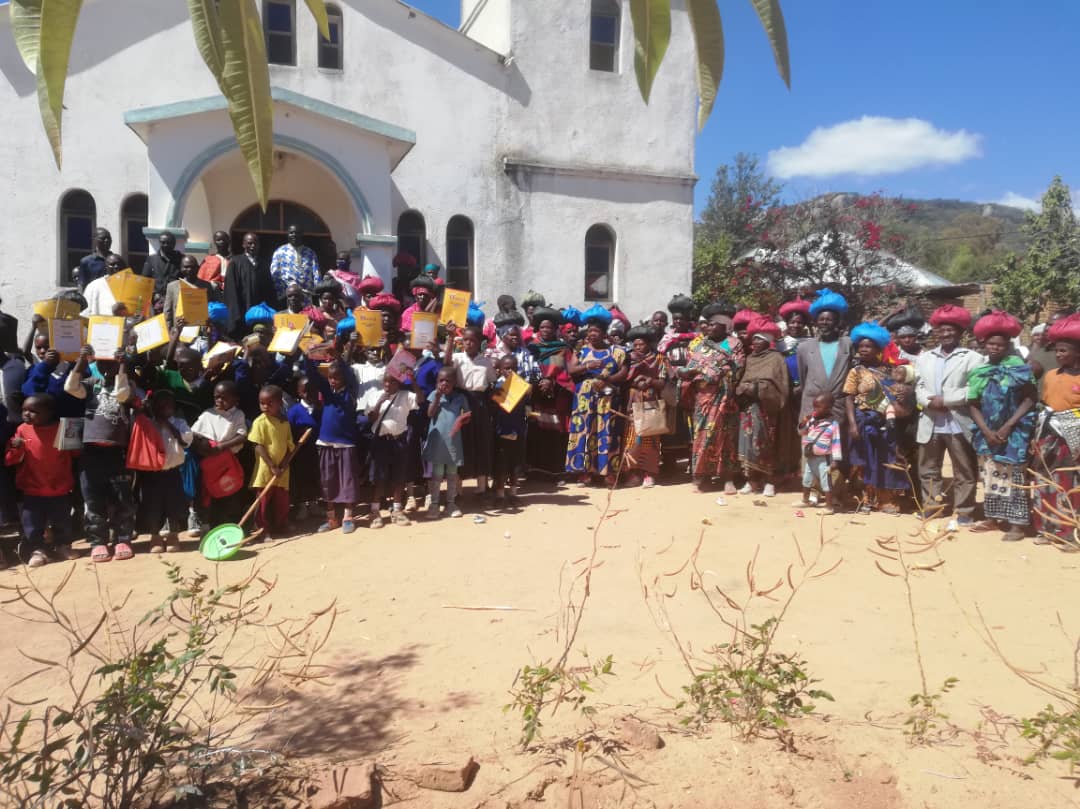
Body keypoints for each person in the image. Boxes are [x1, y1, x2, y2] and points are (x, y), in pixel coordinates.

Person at [966, 312, 1037, 542]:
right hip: (987, 432)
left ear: (1008, 346)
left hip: (1014, 432)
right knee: (990, 473)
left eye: (1000, 344)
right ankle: (993, 518)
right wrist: (986, 430)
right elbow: (973, 404)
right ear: (984, 344)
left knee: (1014, 475)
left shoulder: (1018, 368)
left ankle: (1017, 524)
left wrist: (1008, 426)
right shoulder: (979, 371)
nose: (995, 348)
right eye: (991, 344)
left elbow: (1030, 399)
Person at [914, 305, 985, 524]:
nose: (945, 334)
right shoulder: (924, 358)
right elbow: (919, 385)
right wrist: (928, 400)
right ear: (935, 332)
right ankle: (932, 506)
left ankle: (964, 510)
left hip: (958, 422)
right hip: (930, 421)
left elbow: (975, 389)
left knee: (964, 469)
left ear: (961, 333)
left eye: (950, 331)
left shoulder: (972, 358)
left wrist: (947, 400)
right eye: (941, 331)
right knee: (928, 469)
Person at [64, 345, 134, 562]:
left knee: (121, 497)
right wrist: (81, 360)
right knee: (92, 499)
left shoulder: (125, 384)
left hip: (116, 452)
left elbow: (122, 395)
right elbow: (69, 387)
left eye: (111, 364)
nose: (107, 368)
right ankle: (98, 542)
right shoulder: (90, 384)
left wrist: (123, 366)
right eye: (102, 363)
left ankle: (122, 538)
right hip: (91, 453)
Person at [4, 394, 78, 567]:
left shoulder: (62, 428)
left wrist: (74, 438)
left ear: (49, 413)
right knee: (32, 524)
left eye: (33, 411)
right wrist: (16, 447)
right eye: (24, 410)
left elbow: (75, 455)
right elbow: (10, 460)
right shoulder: (22, 430)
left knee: (62, 521)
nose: (26, 414)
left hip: (59, 487)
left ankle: (63, 546)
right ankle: (38, 550)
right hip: (32, 489)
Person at [844, 322, 909, 514]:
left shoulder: (891, 370)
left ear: (878, 348)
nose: (864, 350)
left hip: (887, 422)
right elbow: (848, 397)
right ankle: (866, 499)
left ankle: (886, 499)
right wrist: (853, 425)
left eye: (868, 346)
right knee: (865, 460)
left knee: (886, 458)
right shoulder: (855, 372)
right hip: (863, 421)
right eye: (861, 346)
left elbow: (901, 393)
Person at [678, 303, 743, 494]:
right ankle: (702, 477)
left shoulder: (734, 344)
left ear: (725, 326)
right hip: (702, 397)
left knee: (726, 437)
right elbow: (690, 366)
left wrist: (715, 374)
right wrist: (690, 373)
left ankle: (727, 478)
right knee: (702, 436)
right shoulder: (698, 344)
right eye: (709, 324)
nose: (710, 327)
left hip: (724, 398)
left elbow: (737, 369)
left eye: (715, 324)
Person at [1030, 313, 1080, 546]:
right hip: (1048, 432)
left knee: (1069, 483)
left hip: (1073, 435)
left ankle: (1068, 531)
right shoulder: (1050, 376)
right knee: (1044, 478)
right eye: (1057, 351)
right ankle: (1045, 527)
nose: (1058, 355)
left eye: (1064, 351)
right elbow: (1046, 405)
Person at [565, 307, 628, 485]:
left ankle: (608, 471)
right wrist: (588, 366)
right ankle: (584, 472)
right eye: (590, 331)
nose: (593, 334)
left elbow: (624, 372)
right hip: (585, 398)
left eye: (597, 331)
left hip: (607, 397)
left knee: (607, 431)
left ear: (604, 333)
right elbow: (571, 370)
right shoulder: (581, 351)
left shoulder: (616, 351)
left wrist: (607, 380)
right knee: (585, 431)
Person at [304, 355, 360, 534]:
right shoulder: (327, 394)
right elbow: (313, 376)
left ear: (344, 378)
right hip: (326, 443)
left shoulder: (350, 394)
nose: (333, 381)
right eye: (330, 377)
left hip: (345, 445)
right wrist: (306, 356)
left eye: (337, 377)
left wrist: (340, 357)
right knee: (328, 482)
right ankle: (332, 518)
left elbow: (350, 375)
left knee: (347, 481)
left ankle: (348, 517)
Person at [736, 316, 789, 497]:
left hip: (767, 411)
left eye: (760, 339)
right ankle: (751, 481)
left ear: (768, 341)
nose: (755, 342)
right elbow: (742, 379)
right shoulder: (749, 359)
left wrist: (758, 388)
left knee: (765, 445)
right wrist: (743, 389)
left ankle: (769, 482)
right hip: (748, 409)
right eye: (754, 338)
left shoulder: (776, 359)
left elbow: (780, 386)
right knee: (747, 445)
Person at [137, 389, 193, 554]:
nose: (164, 409)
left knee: (173, 506)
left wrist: (167, 424)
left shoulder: (179, 423)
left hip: (172, 472)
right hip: (151, 474)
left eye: (168, 405)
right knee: (153, 505)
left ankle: (173, 536)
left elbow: (185, 441)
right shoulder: (148, 423)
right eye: (160, 406)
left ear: (174, 407)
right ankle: (155, 536)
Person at [367, 369, 423, 528]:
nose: (387, 384)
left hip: (399, 440)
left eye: (392, 381)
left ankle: (397, 510)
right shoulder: (375, 395)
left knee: (399, 477)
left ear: (398, 383)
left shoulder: (405, 396)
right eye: (385, 381)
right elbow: (371, 419)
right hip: (381, 441)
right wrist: (379, 403)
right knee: (379, 477)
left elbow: (420, 400)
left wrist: (413, 382)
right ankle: (375, 511)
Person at [191, 380, 249, 530]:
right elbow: (194, 434)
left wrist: (222, 446)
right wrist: (204, 447)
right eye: (216, 397)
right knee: (210, 493)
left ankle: (230, 525)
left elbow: (242, 436)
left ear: (235, 399)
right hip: (209, 460)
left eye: (224, 398)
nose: (219, 400)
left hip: (227, 460)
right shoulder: (207, 414)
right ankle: (209, 525)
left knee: (230, 491)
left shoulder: (238, 414)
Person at [446, 323, 496, 497]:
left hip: (480, 404)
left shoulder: (486, 361)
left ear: (479, 342)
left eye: (472, 340)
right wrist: (451, 338)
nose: (468, 343)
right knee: (461, 443)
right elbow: (445, 365)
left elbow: (491, 383)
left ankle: (481, 486)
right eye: (465, 340)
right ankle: (457, 488)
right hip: (461, 403)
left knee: (481, 442)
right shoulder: (457, 358)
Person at [526, 307, 575, 477]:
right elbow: (528, 369)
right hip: (536, 397)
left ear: (555, 330)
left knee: (557, 432)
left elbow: (563, 371)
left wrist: (551, 381)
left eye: (549, 327)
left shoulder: (562, 349)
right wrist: (538, 382)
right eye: (542, 327)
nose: (545, 330)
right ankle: (537, 468)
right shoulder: (532, 349)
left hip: (557, 398)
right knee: (537, 430)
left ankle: (556, 471)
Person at [621, 325, 669, 488]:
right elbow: (622, 378)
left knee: (651, 438)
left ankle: (649, 474)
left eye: (641, 344)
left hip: (650, 400)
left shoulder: (659, 358)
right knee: (631, 437)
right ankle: (632, 473)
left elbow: (662, 382)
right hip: (632, 400)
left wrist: (650, 381)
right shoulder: (627, 358)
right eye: (635, 345)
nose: (638, 347)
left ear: (648, 344)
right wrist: (633, 381)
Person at [245, 385, 294, 541]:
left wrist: (284, 463)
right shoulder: (260, 422)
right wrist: (272, 466)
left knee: (282, 501)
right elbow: (257, 445)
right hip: (266, 470)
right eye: (262, 403)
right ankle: (262, 529)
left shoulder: (284, 422)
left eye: (269, 403)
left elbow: (289, 446)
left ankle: (281, 524)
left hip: (282, 470)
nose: (265, 406)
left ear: (280, 403)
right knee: (263, 501)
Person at [797, 288, 852, 424]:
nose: (824, 322)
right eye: (821, 319)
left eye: (829, 319)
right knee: (811, 442)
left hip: (837, 406)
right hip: (812, 404)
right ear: (816, 322)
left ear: (837, 322)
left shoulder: (847, 344)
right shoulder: (804, 347)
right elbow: (803, 377)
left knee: (838, 444)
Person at [658, 294, 699, 473]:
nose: (678, 322)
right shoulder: (667, 339)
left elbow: (700, 359)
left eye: (681, 319)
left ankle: (693, 461)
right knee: (671, 424)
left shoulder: (697, 338)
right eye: (675, 319)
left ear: (688, 319)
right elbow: (662, 358)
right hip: (672, 384)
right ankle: (669, 463)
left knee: (691, 424)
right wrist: (670, 371)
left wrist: (690, 373)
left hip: (691, 385)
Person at [424, 366, 471, 518]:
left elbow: (468, 415)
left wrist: (463, 419)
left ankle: (451, 503)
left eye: (448, 381)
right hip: (438, 441)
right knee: (437, 474)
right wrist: (437, 397)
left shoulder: (460, 398)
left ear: (455, 382)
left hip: (453, 441)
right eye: (441, 380)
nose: (444, 383)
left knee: (452, 473)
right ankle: (434, 504)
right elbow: (429, 413)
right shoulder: (434, 395)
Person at [491, 354, 529, 506]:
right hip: (502, 431)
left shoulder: (522, 386)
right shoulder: (497, 387)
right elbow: (494, 409)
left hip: (518, 430)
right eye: (507, 368)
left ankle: (513, 493)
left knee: (516, 464)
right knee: (501, 464)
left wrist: (530, 412)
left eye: (514, 368)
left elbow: (527, 406)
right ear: (500, 370)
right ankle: (500, 494)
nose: (510, 371)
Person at [796, 393, 843, 514]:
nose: (815, 409)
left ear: (828, 408)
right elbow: (802, 432)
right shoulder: (812, 420)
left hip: (824, 458)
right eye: (814, 407)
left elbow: (836, 442)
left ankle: (829, 507)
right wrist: (803, 423)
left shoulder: (833, 424)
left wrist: (835, 460)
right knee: (806, 479)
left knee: (825, 482)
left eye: (818, 407)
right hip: (810, 456)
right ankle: (805, 500)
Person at [225, 233, 276, 339]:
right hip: (242, 311)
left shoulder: (264, 264)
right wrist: (236, 314)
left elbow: (269, 290)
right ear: (243, 244)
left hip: (259, 314)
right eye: (249, 243)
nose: (253, 246)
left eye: (255, 243)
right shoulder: (235, 262)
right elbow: (231, 290)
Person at [287, 375, 323, 522]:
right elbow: (288, 431)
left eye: (313, 390)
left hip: (316, 450)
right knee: (301, 478)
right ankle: (302, 505)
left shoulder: (320, 409)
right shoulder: (294, 411)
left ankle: (314, 503)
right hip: (300, 452)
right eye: (305, 391)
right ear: (299, 392)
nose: (310, 394)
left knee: (315, 476)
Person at [270, 224, 321, 303]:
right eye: (291, 233)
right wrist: (281, 292)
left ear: (302, 234)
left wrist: (317, 293)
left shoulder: (310, 252)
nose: (294, 235)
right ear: (287, 234)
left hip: (306, 296)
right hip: (288, 297)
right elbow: (275, 274)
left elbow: (316, 273)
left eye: (297, 233)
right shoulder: (280, 252)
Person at [163, 254, 215, 329]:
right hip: (179, 331)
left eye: (192, 267)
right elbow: (167, 312)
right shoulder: (172, 287)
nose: (189, 269)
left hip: (200, 330)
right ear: (181, 268)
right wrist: (169, 331)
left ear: (198, 268)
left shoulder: (206, 286)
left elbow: (211, 308)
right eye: (186, 267)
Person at [141, 232, 185, 312]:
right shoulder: (151, 259)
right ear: (159, 242)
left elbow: (186, 280)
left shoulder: (181, 259)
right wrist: (155, 296)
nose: (166, 245)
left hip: (176, 302)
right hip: (157, 303)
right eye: (163, 242)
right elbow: (145, 281)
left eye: (169, 243)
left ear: (174, 244)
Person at [81, 253, 128, 317]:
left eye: (120, 265)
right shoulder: (93, 286)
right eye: (112, 264)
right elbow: (84, 314)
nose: (116, 267)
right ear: (106, 268)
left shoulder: (133, 286)